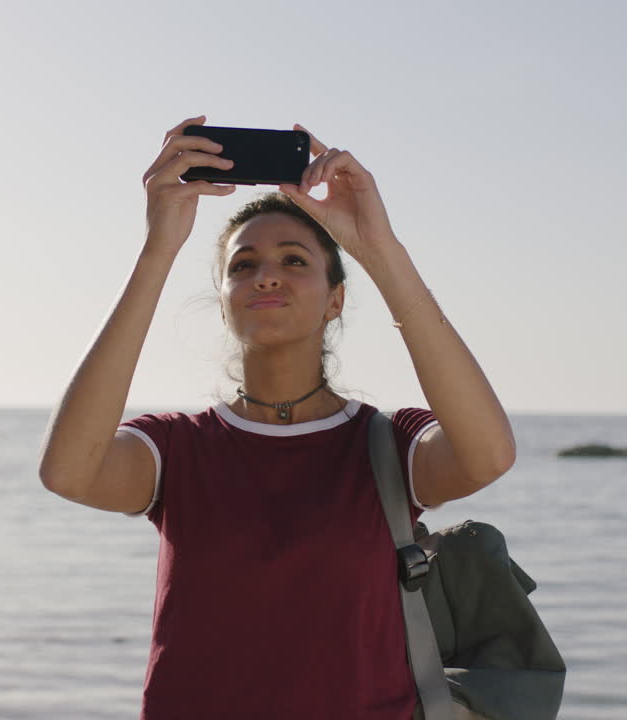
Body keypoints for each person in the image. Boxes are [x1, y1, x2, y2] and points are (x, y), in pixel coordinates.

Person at [38, 115, 516, 720]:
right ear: (224, 299)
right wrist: (159, 248)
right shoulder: (178, 449)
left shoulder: (388, 444)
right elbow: (68, 473)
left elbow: (490, 455)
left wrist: (380, 250)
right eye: (242, 265)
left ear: (335, 299)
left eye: (294, 261)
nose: (265, 274)